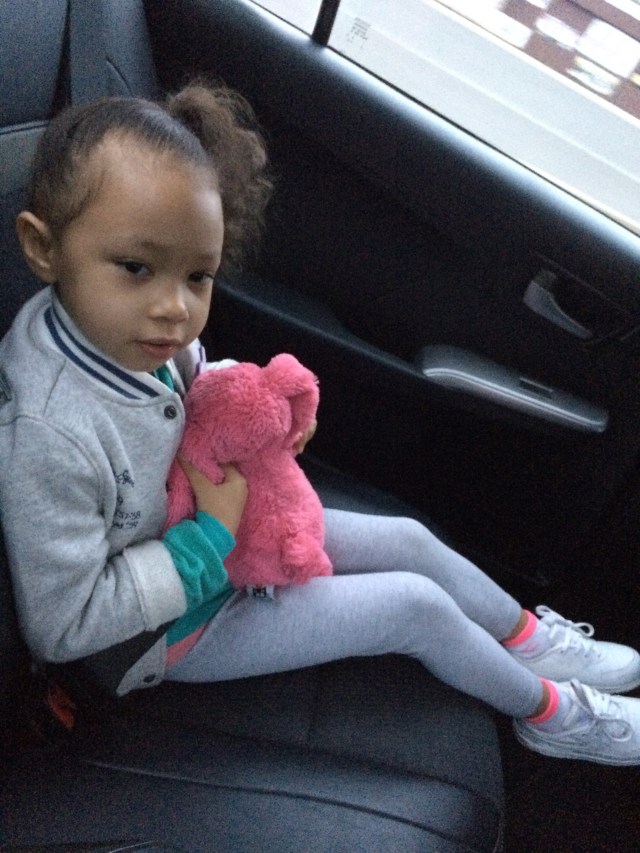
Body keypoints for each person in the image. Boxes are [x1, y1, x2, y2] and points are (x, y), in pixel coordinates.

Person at [1, 82, 640, 766]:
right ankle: (550, 714)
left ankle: (529, 640)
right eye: (136, 268)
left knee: (409, 539)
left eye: (198, 276)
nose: (176, 308)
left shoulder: (127, 334)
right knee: (414, 607)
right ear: (43, 248)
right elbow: (64, 624)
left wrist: (258, 407)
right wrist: (209, 537)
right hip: (172, 629)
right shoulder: (50, 435)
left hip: (230, 530)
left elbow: (196, 382)